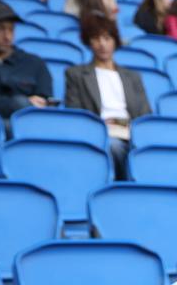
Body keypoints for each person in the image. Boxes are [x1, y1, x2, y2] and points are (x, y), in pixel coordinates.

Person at [64, 14, 151, 180]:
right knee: (113, 146)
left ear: (115, 41)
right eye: (96, 39)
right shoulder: (76, 74)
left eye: (107, 38)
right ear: (89, 42)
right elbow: (74, 112)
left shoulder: (132, 77)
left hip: (130, 132)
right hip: (101, 132)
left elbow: (145, 112)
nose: (102, 44)